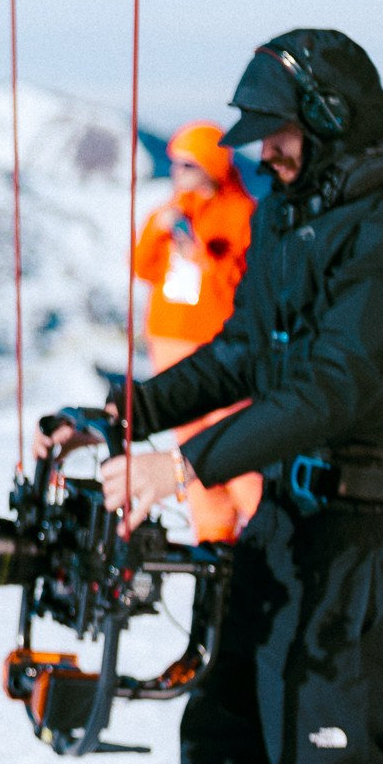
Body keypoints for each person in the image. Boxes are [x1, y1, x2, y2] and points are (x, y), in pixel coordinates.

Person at [41, 29, 383, 764]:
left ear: (332, 117)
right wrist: (122, 413)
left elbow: (333, 387)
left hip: (361, 537)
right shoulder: (289, 214)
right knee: (221, 738)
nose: (262, 152)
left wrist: (182, 463)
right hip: (282, 525)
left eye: (278, 132)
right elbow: (241, 352)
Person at [132, 121, 260, 541]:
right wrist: (158, 228)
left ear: (211, 165)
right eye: (175, 163)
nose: (178, 172)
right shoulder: (174, 209)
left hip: (218, 348)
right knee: (189, 448)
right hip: (168, 343)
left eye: (188, 164)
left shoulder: (241, 214)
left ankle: (264, 524)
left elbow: (244, 283)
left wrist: (202, 254)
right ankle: (213, 536)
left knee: (236, 440)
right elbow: (143, 267)